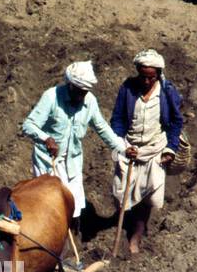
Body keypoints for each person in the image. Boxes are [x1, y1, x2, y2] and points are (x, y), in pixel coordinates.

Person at [22, 61, 127, 240]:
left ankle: (71, 241)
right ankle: (49, 240)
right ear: (69, 84)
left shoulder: (90, 102)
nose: (81, 96)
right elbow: (28, 125)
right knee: (50, 207)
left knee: (74, 206)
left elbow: (102, 128)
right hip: (49, 162)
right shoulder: (52, 97)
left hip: (72, 163)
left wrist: (123, 149)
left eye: (84, 92)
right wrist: (45, 138)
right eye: (78, 91)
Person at [111, 49, 183, 256]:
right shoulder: (127, 89)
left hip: (154, 149)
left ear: (158, 74)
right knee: (121, 193)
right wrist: (122, 144)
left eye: (151, 77)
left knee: (149, 196)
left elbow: (176, 122)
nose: (146, 81)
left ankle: (136, 236)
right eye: (143, 76)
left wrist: (171, 148)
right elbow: (117, 119)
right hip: (130, 147)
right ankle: (127, 225)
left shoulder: (167, 91)